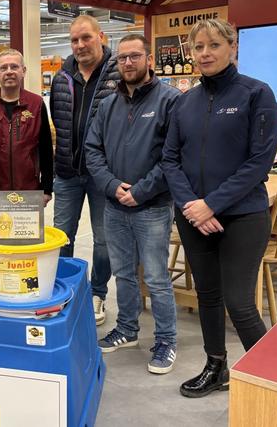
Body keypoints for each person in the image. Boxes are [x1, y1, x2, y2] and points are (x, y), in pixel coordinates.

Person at [161, 18, 277, 398]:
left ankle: (273, 384)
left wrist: (212, 204)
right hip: (195, 215)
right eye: (198, 47)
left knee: (239, 303)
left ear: (233, 48)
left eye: (213, 45)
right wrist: (192, 206)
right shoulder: (184, 102)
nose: (205, 53)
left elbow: (259, 162)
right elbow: (170, 160)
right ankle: (216, 367)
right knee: (208, 296)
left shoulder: (256, 94)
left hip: (244, 214)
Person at [85, 34, 180, 374]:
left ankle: (166, 340)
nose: (127, 63)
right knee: (123, 274)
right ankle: (127, 329)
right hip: (115, 205)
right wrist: (112, 186)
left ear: (149, 59)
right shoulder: (109, 104)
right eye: (122, 58)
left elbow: (173, 158)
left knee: (155, 278)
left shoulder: (170, 100)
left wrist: (140, 190)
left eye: (135, 56)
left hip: (152, 208)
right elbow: (92, 150)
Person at [49, 14, 121, 325]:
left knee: (104, 239)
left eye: (86, 38)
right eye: (74, 40)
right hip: (67, 172)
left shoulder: (119, 73)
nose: (80, 45)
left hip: (104, 175)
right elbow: (58, 120)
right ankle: (64, 290)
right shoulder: (61, 77)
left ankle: (97, 293)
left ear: (101, 36)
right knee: (62, 235)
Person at [0, 48, 53, 207]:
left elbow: (46, 148)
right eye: (3, 68)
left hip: (29, 191)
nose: (9, 72)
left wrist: (47, 188)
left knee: (28, 233)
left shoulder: (36, 104)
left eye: (14, 67)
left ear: (23, 71)